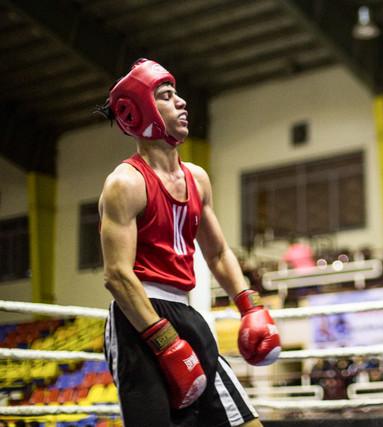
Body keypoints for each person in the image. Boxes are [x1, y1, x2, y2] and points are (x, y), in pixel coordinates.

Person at [95, 59, 281, 426]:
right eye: (166, 96)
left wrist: (251, 306)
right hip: (139, 319)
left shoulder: (197, 179)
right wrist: (163, 340)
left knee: (246, 422)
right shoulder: (125, 183)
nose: (181, 102)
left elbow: (218, 251)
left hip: (186, 315)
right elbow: (116, 274)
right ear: (139, 112)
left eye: (177, 94)